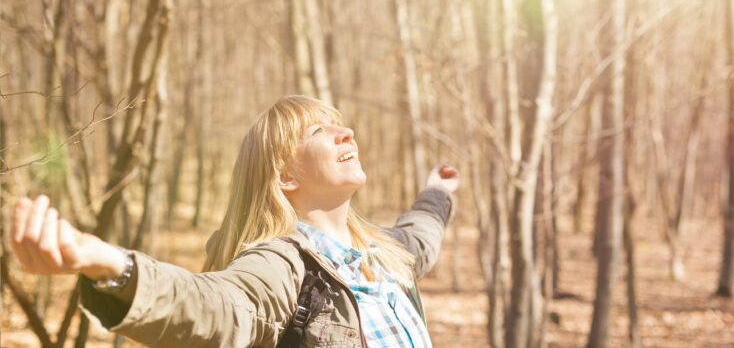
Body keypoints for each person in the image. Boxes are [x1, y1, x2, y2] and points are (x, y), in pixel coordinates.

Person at [11, 96, 459, 347]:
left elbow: (419, 236)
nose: (348, 133)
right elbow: (216, 307)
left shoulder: (382, 256)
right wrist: (109, 264)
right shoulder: (283, 266)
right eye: (320, 131)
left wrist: (436, 191)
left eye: (341, 126)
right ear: (285, 175)